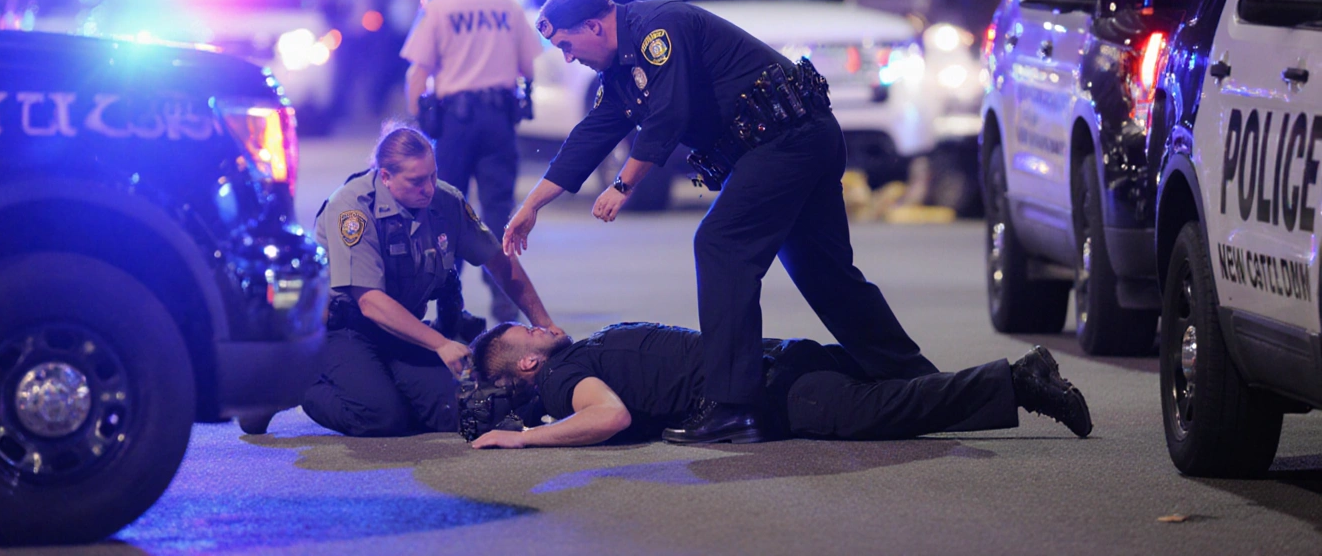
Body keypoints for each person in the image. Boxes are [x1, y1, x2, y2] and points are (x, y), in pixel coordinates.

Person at [502, 0, 938, 444]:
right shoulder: (621, 71)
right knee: (825, 274)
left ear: (593, 26)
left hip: (786, 141)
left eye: (567, 45)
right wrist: (531, 206)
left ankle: (733, 405)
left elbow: (668, 116)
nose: (568, 58)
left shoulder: (657, 29)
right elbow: (590, 136)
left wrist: (623, 184)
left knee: (721, 246)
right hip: (791, 143)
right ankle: (913, 377)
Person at [241, 124, 562, 437]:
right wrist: (440, 344)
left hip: (402, 327)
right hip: (342, 329)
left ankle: (377, 384)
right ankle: (291, 381)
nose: (429, 188)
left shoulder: (445, 201)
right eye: (417, 181)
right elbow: (370, 302)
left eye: (433, 175)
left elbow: (499, 261)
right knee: (379, 417)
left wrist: (544, 322)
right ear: (385, 176)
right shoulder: (352, 209)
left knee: (451, 409)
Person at [466, 321, 1093, 449]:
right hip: (782, 356)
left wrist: (522, 440)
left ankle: (1020, 380)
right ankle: (1010, 379)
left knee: (890, 411)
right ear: (528, 367)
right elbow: (607, 410)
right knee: (901, 387)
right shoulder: (573, 369)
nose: (541, 325)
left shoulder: (571, 371)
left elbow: (610, 417)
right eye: (529, 332)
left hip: (773, 388)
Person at [401, 0, 544, 323]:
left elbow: (417, 73)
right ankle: (504, 296)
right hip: (498, 118)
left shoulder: (439, 7)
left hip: (455, 123)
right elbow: (529, 67)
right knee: (498, 207)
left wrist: (417, 122)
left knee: (447, 206)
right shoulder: (506, 4)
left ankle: (451, 296)